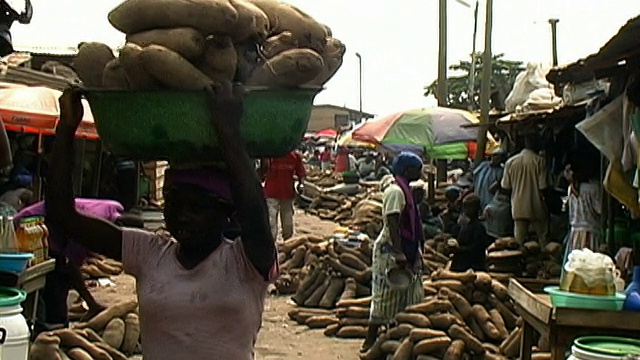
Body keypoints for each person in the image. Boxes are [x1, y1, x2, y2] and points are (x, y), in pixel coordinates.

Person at [46, 83, 278, 359]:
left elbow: (255, 216)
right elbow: (64, 216)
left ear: (227, 211)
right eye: (174, 203)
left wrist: (229, 134)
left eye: (197, 206)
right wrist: (66, 129)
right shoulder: (149, 253)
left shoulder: (247, 261)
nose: (182, 214)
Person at [16, 198, 143, 333]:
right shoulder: (89, 229)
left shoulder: (114, 207)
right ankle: (48, 328)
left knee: (59, 276)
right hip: (30, 227)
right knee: (57, 278)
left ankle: (52, 325)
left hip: (50, 228)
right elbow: (71, 265)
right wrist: (91, 303)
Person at [362, 152, 424, 351]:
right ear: (407, 170)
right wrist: (398, 252)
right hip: (391, 249)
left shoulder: (405, 190)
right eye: (417, 169)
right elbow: (392, 221)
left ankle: (396, 338)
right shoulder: (395, 192)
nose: (420, 173)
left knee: (408, 298)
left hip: (404, 247)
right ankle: (370, 341)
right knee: (384, 299)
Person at [501, 134, 550, 245]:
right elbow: (543, 187)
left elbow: (505, 187)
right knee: (543, 238)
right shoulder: (539, 161)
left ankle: (518, 260)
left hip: (518, 206)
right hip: (536, 206)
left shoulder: (511, 162)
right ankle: (546, 260)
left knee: (518, 241)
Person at [261, 151, 305, 241]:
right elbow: (262, 171)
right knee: (272, 221)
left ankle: (287, 243)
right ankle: (272, 243)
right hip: (273, 193)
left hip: (285, 193)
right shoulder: (269, 156)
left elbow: (301, 173)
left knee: (286, 222)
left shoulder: (295, 157)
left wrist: (301, 184)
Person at [563, 157, 602, 253]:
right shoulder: (593, 188)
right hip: (590, 233)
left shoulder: (571, 188)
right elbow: (599, 209)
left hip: (574, 232)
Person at [450, 195, 490, 271]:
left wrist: (459, 249)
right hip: (461, 263)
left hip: (473, 265)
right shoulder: (466, 225)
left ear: (474, 209)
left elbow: (476, 249)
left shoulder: (479, 228)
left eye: (468, 207)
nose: (465, 210)